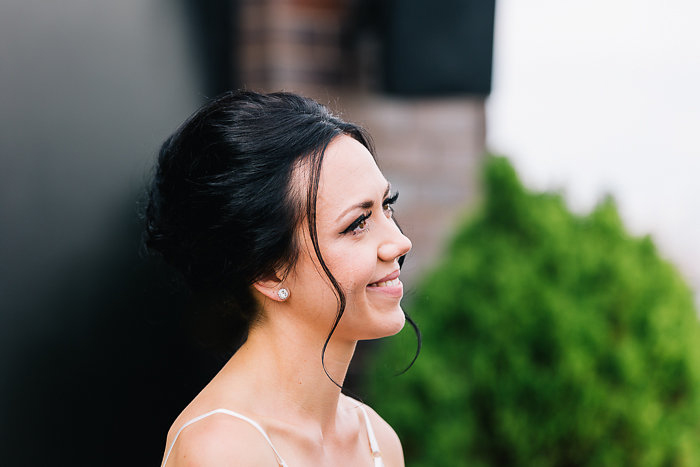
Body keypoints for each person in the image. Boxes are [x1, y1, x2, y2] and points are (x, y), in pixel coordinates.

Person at [145, 90, 415, 466]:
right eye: (357, 223)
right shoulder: (223, 451)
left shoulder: (377, 439)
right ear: (268, 271)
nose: (400, 242)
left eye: (387, 206)